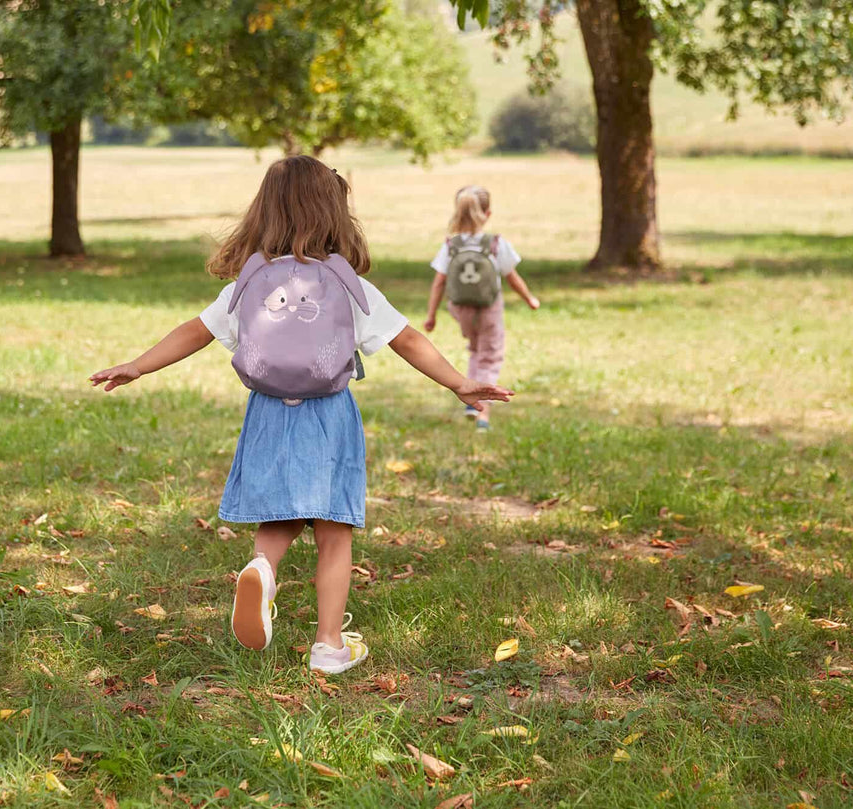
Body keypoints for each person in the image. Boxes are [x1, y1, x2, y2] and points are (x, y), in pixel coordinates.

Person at [90, 156, 511, 674]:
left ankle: (263, 569)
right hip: (329, 415)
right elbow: (407, 340)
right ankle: (329, 645)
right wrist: (459, 382)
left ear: (264, 211)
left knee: (279, 516)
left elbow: (195, 330)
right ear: (334, 211)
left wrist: (139, 365)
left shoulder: (250, 282)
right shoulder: (346, 284)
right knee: (334, 532)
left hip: (267, 411)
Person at [423, 185, 539, 431]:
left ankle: (469, 398)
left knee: (476, 349)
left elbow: (439, 282)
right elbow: (512, 277)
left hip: (460, 309)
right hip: (489, 308)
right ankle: (483, 413)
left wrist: (431, 315)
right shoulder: (496, 244)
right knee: (490, 355)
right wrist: (529, 298)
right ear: (487, 214)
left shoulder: (450, 245)